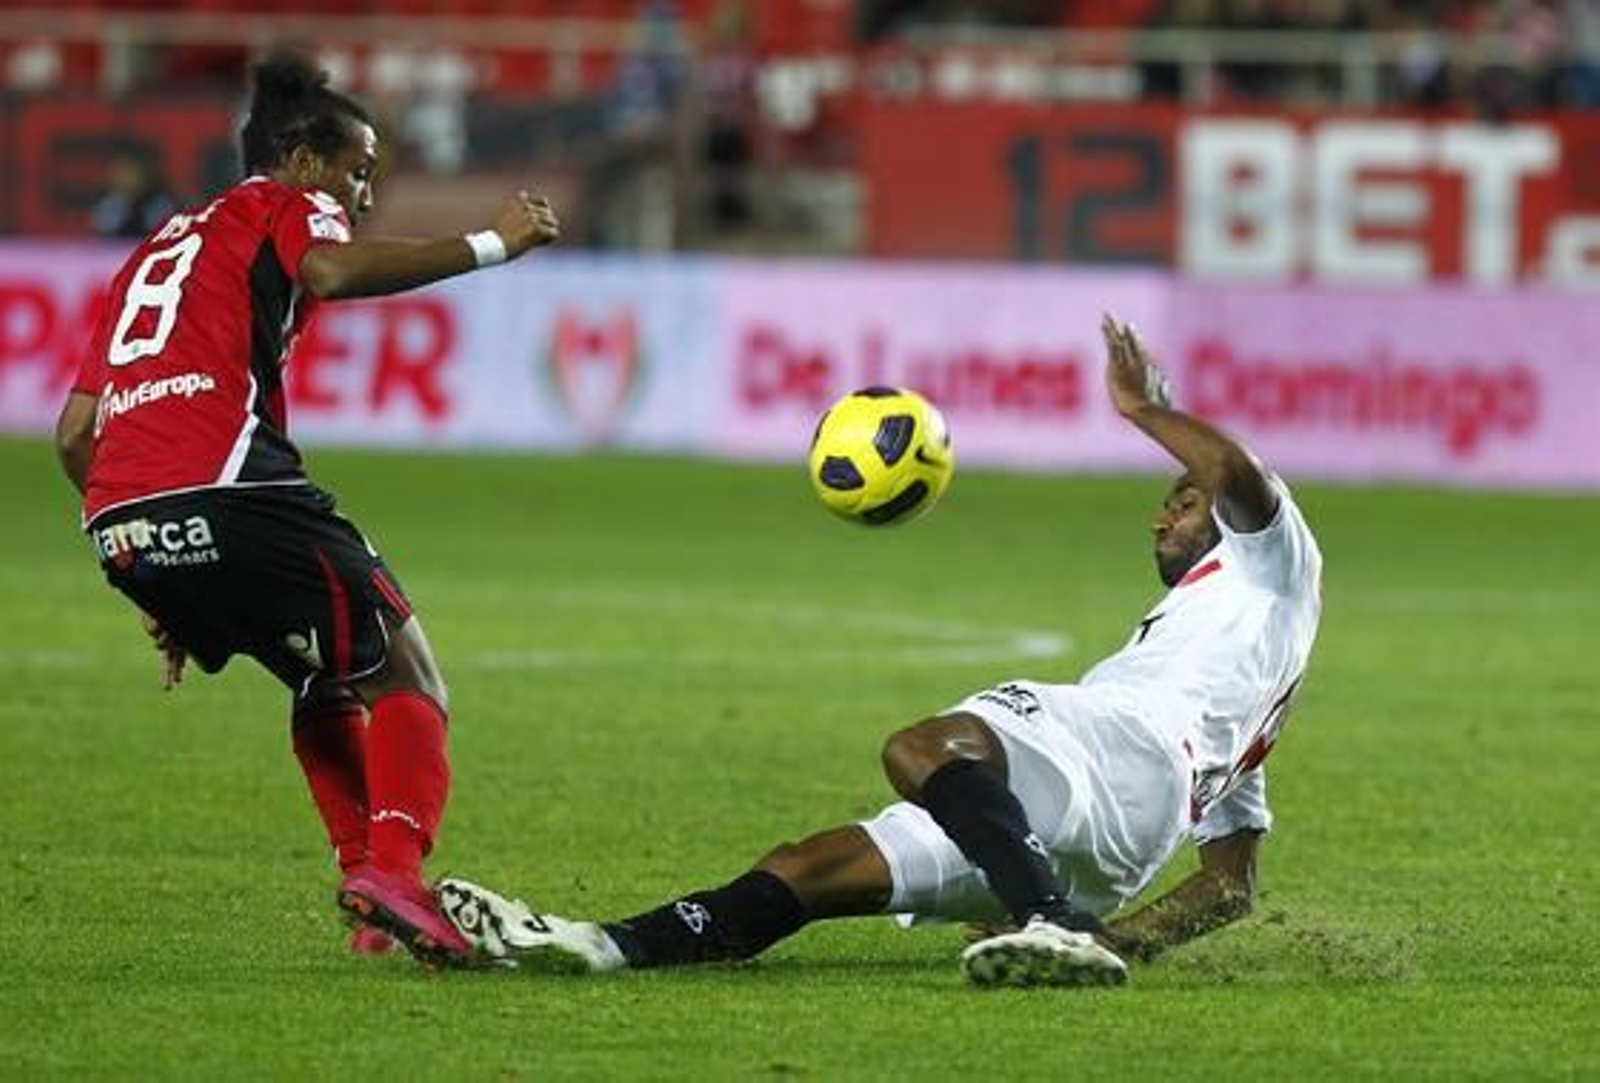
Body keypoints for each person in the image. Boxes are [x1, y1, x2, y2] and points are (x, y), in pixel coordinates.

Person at [435, 314, 1324, 986]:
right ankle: (600, 945)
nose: (1165, 510)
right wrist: (1119, 936)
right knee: (806, 868)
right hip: (1115, 836)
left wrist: (1143, 408)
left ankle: (1050, 917)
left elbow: (1239, 477)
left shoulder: (1274, 567)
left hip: (1110, 757)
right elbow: (1230, 886)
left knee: (924, 746)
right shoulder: (1231, 680)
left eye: (1183, 498)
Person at [54, 54, 561, 968]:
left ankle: (369, 885)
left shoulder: (156, 248)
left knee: (321, 676)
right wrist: (492, 244)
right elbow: (327, 270)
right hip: (230, 484)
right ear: (298, 158)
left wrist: (154, 565)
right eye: (357, 169)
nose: (362, 194)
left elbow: (72, 434)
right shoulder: (281, 205)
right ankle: (397, 874)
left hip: (120, 519)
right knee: (408, 675)